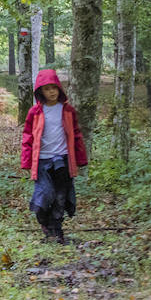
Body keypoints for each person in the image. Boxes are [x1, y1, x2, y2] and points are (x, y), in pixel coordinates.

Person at [20, 68, 89, 244]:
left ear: (59, 88)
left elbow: (76, 134)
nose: (51, 92)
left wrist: (81, 159)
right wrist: (26, 161)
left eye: (54, 88)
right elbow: (27, 137)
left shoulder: (67, 111)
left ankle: (56, 231)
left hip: (64, 159)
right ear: (40, 91)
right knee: (44, 194)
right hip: (42, 161)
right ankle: (44, 222)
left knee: (60, 197)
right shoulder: (34, 112)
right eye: (47, 89)